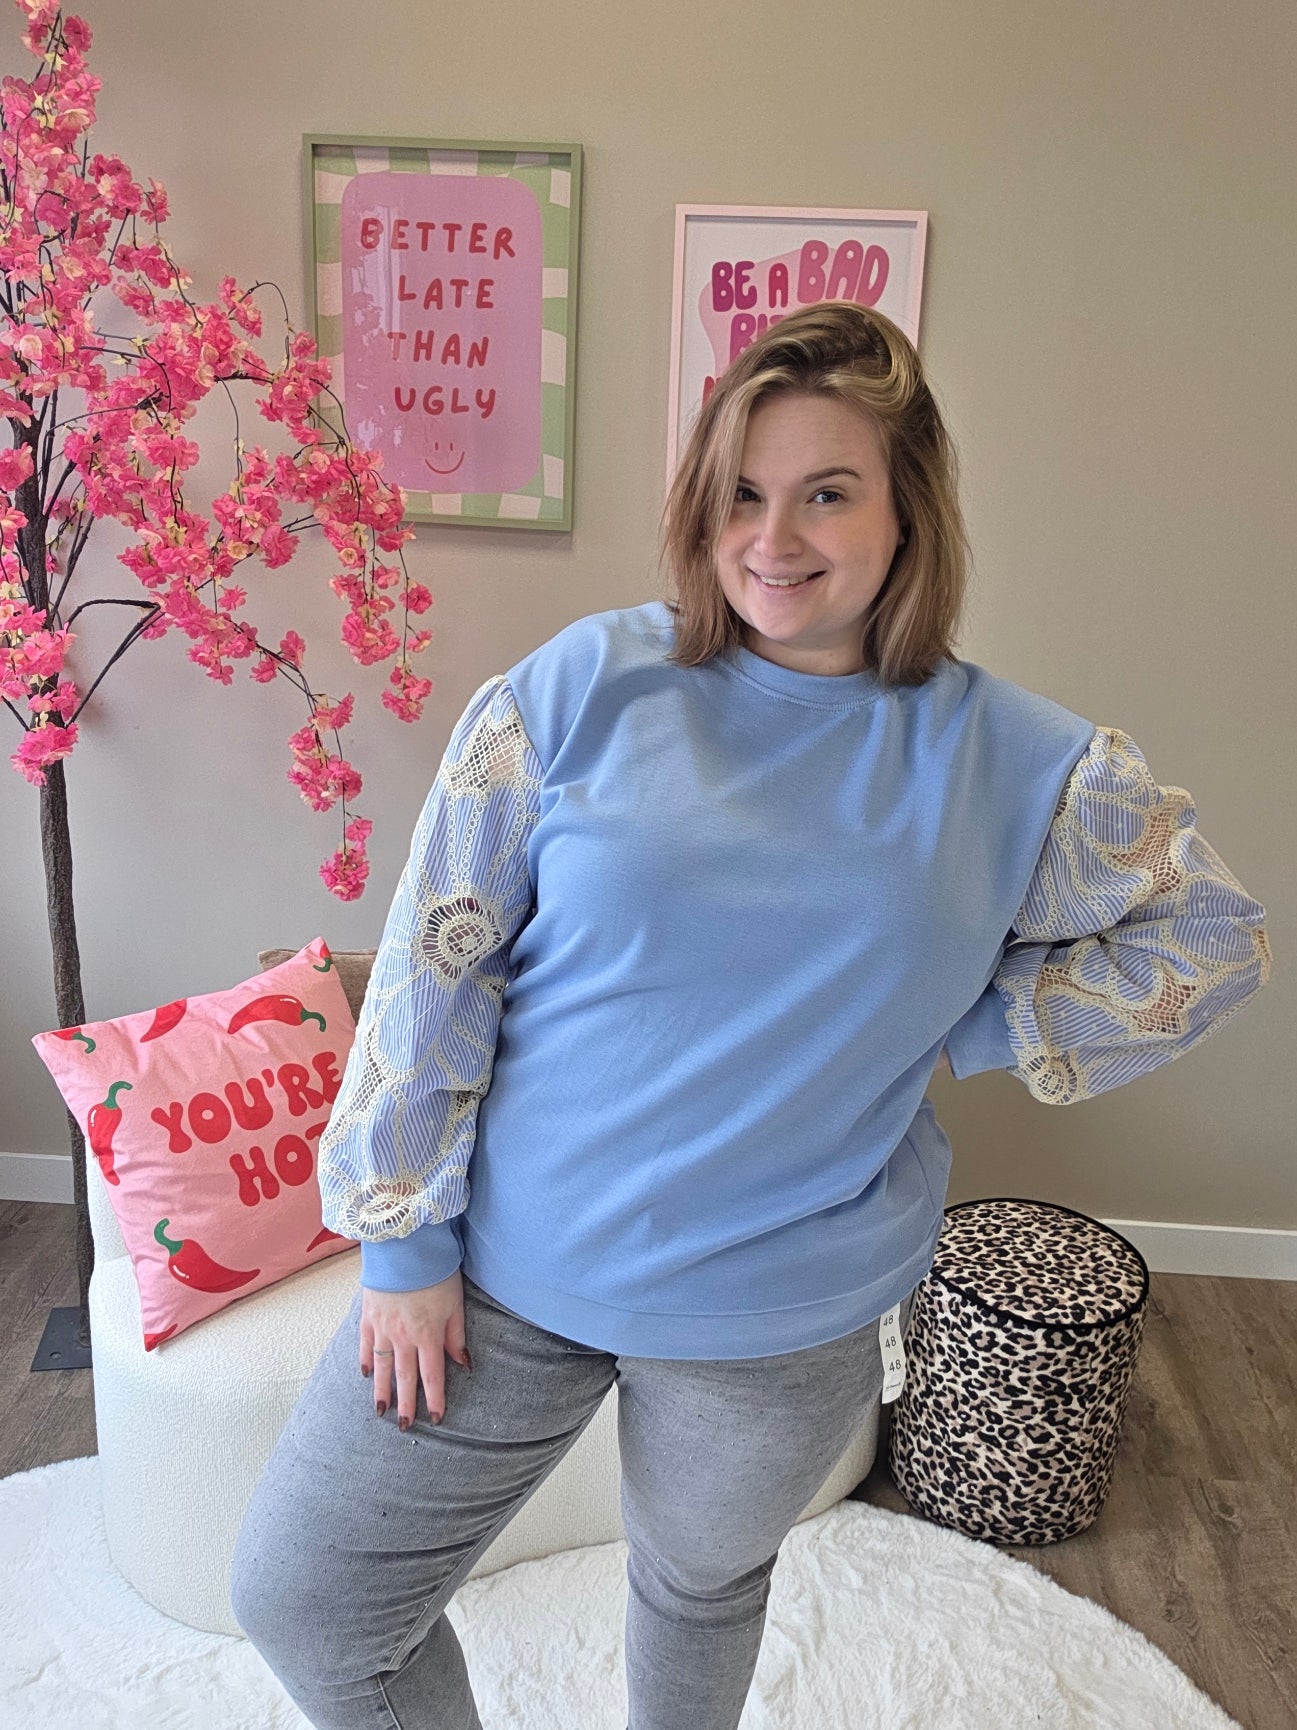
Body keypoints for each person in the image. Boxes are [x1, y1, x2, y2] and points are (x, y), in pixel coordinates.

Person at [229, 300, 1270, 1730]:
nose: (773, 538)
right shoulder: (582, 687)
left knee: (699, 1587)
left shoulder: (1022, 764)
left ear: (908, 511)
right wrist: (405, 1240)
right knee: (307, 1599)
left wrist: (966, 1024)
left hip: (775, 1321)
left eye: (826, 493)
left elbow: (1213, 936)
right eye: (740, 494)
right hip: (501, 1275)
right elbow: (437, 958)